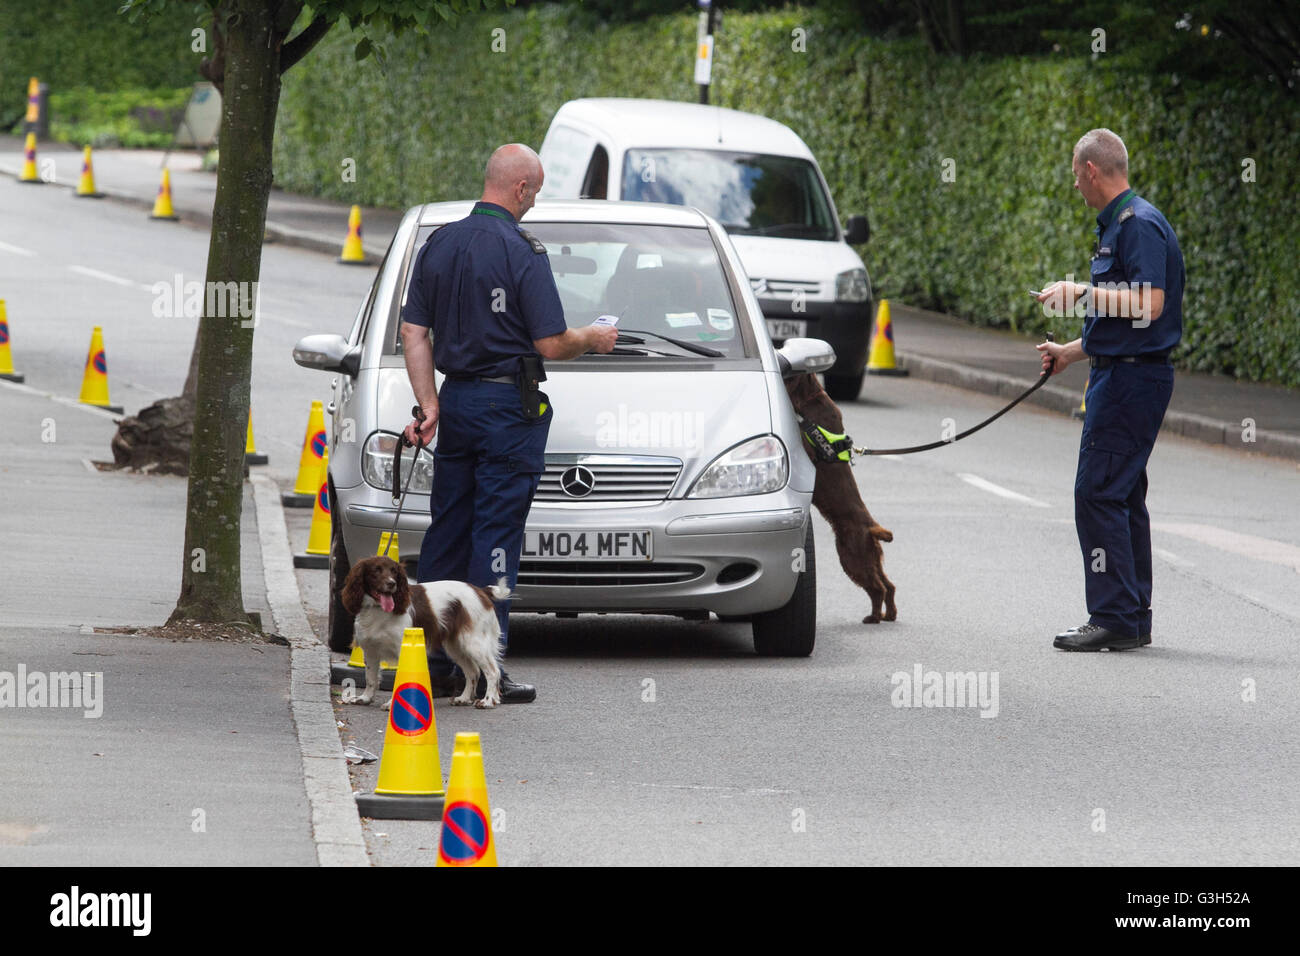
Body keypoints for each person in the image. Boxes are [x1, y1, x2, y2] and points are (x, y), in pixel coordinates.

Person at [400, 144, 619, 701]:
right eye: (536, 191)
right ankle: (488, 663)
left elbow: (413, 333)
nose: (535, 201)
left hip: (459, 403)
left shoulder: (439, 243)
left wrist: (429, 406)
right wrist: (592, 339)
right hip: (506, 410)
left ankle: (432, 662)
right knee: (495, 538)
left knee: (446, 531)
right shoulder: (522, 251)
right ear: (520, 189)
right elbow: (551, 342)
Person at [1034, 128, 1184, 652]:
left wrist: (1080, 292)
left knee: (1096, 492)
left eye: (1077, 176)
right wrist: (1071, 353)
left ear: (1092, 171)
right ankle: (1132, 616)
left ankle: (1114, 617)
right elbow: (1124, 321)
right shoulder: (1128, 222)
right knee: (1122, 494)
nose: (1076, 186)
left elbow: (1148, 304)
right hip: (1125, 371)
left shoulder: (1136, 224)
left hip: (1130, 381)